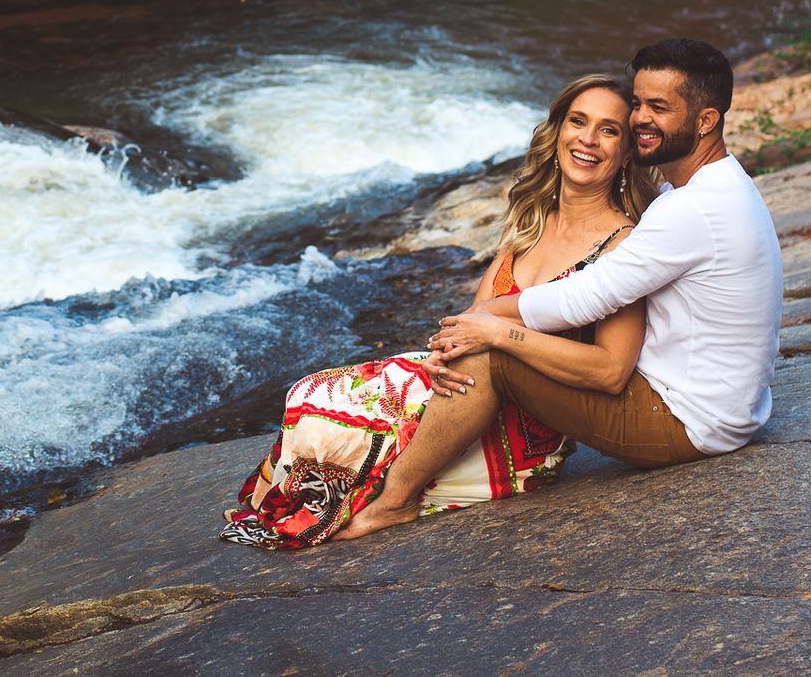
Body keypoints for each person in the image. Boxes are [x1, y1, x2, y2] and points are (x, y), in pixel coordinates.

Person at [333, 37, 784, 542]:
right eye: (637, 103)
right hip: (721, 407)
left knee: (491, 355)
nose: (640, 119)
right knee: (489, 338)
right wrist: (480, 322)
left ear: (705, 121)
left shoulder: (691, 209)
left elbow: (585, 295)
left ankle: (394, 502)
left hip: (686, 421)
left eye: (659, 107)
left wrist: (484, 324)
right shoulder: (706, 189)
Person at [220, 72, 658, 549]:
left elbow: (611, 371)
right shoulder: (534, 220)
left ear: (627, 151)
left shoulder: (625, 246)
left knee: (351, 432)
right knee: (309, 395)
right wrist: (441, 356)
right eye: (578, 121)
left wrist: (492, 341)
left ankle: (395, 501)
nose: (588, 140)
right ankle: (299, 499)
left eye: (609, 130)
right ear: (558, 130)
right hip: (464, 389)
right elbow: (472, 322)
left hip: (523, 431)